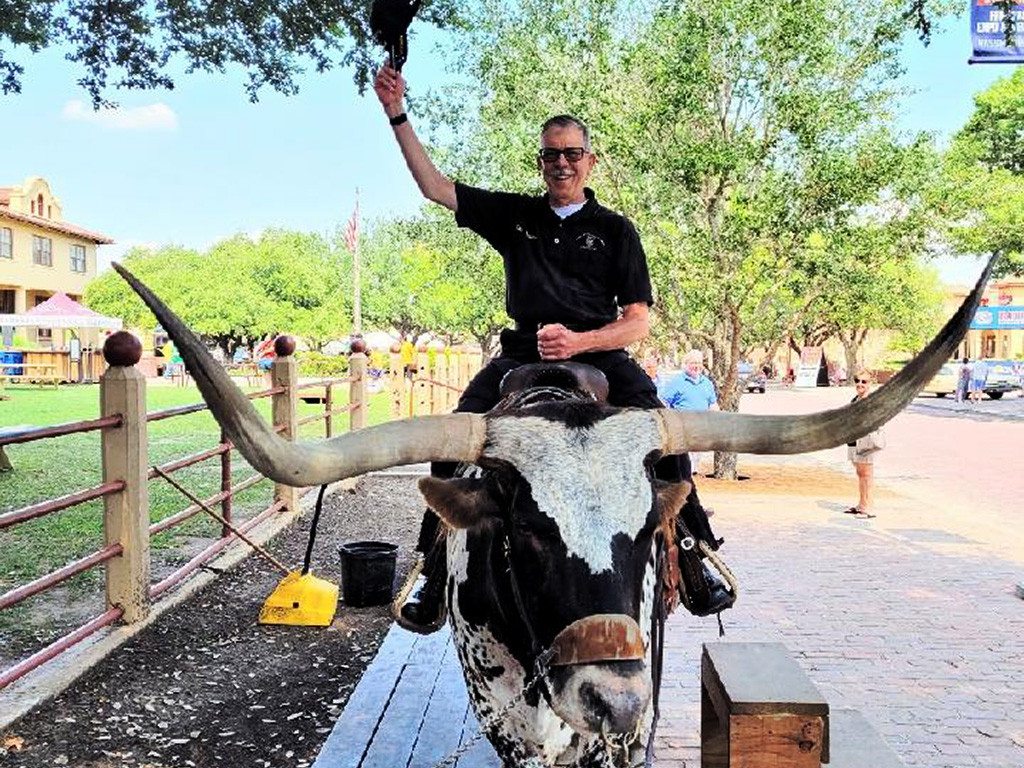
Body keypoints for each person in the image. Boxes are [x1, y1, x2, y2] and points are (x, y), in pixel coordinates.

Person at [373, 62, 730, 631]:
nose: (560, 162)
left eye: (571, 153)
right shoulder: (516, 216)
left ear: (589, 160)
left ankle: (695, 552)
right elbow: (435, 188)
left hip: (600, 354)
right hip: (521, 352)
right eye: (550, 154)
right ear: (540, 162)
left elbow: (637, 321)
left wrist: (582, 340)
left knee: (666, 431)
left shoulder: (616, 229)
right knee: (457, 432)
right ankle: (433, 567)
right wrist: (396, 112)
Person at [660, 350, 719, 476]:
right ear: (685, 364)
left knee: (695, 461)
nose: (696, 366)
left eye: (699, 363)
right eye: (693, 363)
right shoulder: (676, 382)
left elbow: (713, 404)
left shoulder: (707, 383)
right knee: (683, 460)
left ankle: (690, 479)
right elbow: (663, 402)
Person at [845, 371, 879, 518]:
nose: (860, 384)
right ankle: (861, 504)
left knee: (867, 474)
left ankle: (869, 507)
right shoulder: (856, 399)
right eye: (857, 381)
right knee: (860, 473)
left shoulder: (871, 400)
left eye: (864, 382)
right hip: (853, 441)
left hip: (865, 441)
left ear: (870, 384)